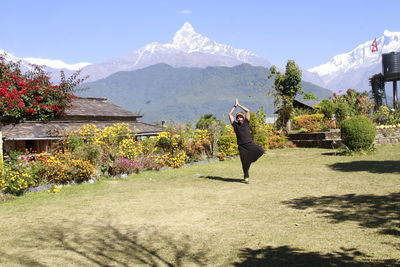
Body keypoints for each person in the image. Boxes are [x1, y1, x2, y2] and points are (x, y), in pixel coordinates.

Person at [229, 99, 265, 184]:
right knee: (244, 163)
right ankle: (246, 176)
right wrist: (234, 107)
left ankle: (250, 160)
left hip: (250, 143)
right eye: (238, 117)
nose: (239, 118)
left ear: (243, 117)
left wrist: (239, 105)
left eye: (241, 116)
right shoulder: (235, 125)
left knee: (261, 150)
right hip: (242, 146)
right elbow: (230, 114)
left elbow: (248, 111)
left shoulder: (246, 122)